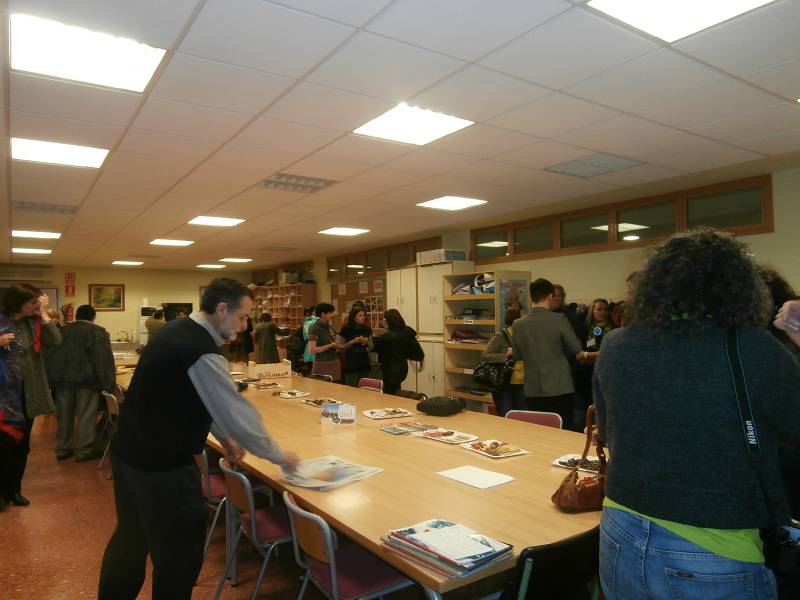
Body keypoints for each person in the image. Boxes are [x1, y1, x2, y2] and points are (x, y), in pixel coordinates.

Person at [594, 229, 800, 600]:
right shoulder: (752, 348)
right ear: (739, 285)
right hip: (714, 544)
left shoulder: (616, 344)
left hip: (620, 526)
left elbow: (608, 432)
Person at [98, 278, 299, 599]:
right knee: (179, 556)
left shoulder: (174, 331)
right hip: (162, 467)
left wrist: (225, 439)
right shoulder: (201, 350)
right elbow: (237, 414)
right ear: (222, 310)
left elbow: (196, 397)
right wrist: (279, 455)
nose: (245, 326)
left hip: (129, 453)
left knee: (131, 539)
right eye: (242, 317)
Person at [0, 284, 61, 510]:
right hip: (5, 396)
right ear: (18, 303)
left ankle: (14, 490)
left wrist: (44, 314)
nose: (37, 305)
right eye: (33, 302)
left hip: (28, 393)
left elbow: (56, 340)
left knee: (22, 446)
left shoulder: (33, 322)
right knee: (4, 445)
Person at [510, 278, 583, 429]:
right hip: (559, 386)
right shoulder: (559, 319)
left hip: (533, 388)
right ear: (550, 296)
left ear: (531, 297)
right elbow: (576, 348)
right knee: (563, 429)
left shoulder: (518, 324)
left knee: (539, 430)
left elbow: (517, 356)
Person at [46, 304, 115, 462]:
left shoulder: (62, 331)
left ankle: (63, 448)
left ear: (77, 316)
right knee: (86, 416)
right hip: (87, 382)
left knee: (63, 415)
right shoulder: (96, 332)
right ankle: (83, 450)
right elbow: (103, 360)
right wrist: (108, 385)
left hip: (62, 381)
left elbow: (49, 355)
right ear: (93, 317)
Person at [573, 299, 615, 416]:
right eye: (599, 309)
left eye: (605, 309)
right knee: (587, 408)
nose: (602, 312)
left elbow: (610, 353)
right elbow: (578, 355)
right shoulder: (584, 328)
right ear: (592, 311)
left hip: (606, 374)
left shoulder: (613, 329)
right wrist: (592, 356)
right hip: (585, 376)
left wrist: (587, 355)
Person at [481, 308, 525, 417]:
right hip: (504, 383)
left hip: (522, 383)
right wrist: (505, 355)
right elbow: (485, 355)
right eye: (523, 318)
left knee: (521, 417)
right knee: (506, 416)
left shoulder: (524, 335)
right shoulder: (501, 335)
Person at [373, 309, 425, 396]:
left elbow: (376, 349)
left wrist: (382, 334)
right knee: (396, 390)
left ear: (387, 321)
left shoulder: (386, 337)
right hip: (402, 368)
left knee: (389, 393)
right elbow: (416, 350)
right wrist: (420, 360)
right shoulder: (407, 331)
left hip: (389, 369)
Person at [338, 307, 372, 387]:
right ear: (354, 317)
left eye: (364, 315)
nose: (363, 318)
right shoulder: (346, 329)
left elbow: (371, 346)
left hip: (364, 362)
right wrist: (353, 341)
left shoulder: (367, 329)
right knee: (351, 389)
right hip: (351, 363)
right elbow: (340, 347)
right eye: (360, 316)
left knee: (364, 388)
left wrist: (366, 342)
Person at [307, 303, 341, 381]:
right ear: (322, 314)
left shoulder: (331, 327)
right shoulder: (314, 328)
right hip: (321, 365)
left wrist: (337, 344)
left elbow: (337, 343)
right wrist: (328, 346)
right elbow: (312, 350)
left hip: (334, 363)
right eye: (330, 313)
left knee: (336, 387)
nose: (332, 315)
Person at [301, 306, 317, 375]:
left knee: (311, 370)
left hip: (310, 349)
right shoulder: (309, 322)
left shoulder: (306, 322)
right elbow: (307, 337)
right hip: (312, 349)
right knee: (313, 371)